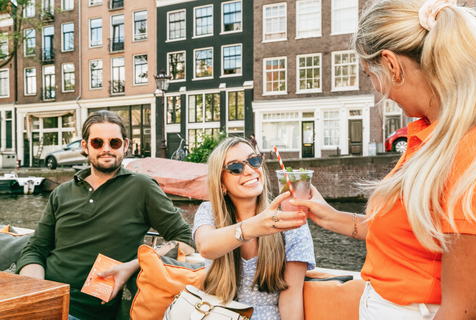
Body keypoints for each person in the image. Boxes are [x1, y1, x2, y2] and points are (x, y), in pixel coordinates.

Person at [291, 0, 476, 319]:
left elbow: (462, 310)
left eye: (370, 74)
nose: (378, 90)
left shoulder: (466, 155)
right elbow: (408, 234)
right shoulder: (426, 136)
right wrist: (328, 215)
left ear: (391, 65)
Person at [16, 110, 195, 320]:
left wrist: (133, 265)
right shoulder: (61, 193)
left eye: (115, 143)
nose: (107, 149)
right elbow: (36, 249)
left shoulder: (142, 187)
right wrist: (37, 293)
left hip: (84, 311)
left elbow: (184, 238)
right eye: (98, 142)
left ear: (126, 146)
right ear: (85, 147)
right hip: (42, 301)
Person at [193, 137, 315, 320]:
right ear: (221, 183)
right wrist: (253, 227)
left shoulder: (290, 221)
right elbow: (205, 246)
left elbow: (291, 301)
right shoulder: (209, 212)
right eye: (235, 167)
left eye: (254, 160)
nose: (250, 171)